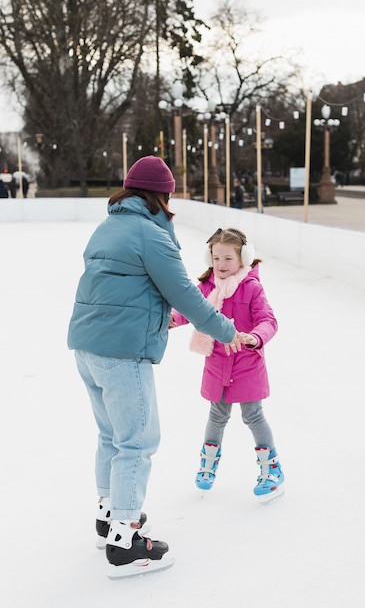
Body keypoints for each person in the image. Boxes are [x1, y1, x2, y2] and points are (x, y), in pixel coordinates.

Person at [67, 156, 244, 579]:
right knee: (137, 441)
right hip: (121, 351)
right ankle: (125, 542)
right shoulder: (150, 234)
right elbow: (184, 292)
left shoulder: (107, 226)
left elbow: (120, 287)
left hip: (87, 346)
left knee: (112, 435)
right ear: (161, 195)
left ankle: (109, 517)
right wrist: (226, 330)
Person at [170, 227, 284, 503]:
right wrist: (172, 319)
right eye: (216, 258)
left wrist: (254, 338)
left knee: (253, 415)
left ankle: (271, 469)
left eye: (228, 259)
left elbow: (269, 321)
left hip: (246, 362)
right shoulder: (207, 287)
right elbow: (190, 310)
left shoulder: (252, 287)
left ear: (243, 258)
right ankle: (208, 463)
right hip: (217, 362)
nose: (221, 265)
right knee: (217, 415)